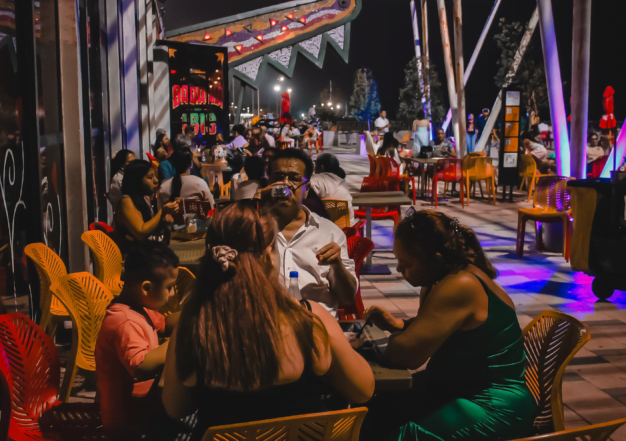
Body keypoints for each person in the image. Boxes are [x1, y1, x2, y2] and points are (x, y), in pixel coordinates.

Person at [161, 204, 374, 434]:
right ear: (267, 257)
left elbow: (175, 408)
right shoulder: (309, 321)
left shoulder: (192, 327)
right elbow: (363, 390)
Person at [362, 211, 535, 441]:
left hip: (492, 405)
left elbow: (406, 356)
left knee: (396, 436)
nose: (398, 270)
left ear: (434, 258)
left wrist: (384, 341)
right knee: (372, 411)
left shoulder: (460, 284)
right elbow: (446, 326)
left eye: (406, 263)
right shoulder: (444, 276)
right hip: (456, 389)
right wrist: (400, 325)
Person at [256, 149, 357, 315]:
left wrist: (337, 265)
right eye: (278, 177)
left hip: (317, 326)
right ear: (268, 183)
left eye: (294, 179)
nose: (285, 183)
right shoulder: (251, 228)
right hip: (268, 325)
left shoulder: (329, 233)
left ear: (307, 189)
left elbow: (347, 297)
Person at [95, 241, 180, 438]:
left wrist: (197, 311)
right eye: (170, 287)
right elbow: (142, 367)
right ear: (146, 288)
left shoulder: (137, 308)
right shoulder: (124, 321)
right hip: (129, 424)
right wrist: (181, 340)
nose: (173, 293)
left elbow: (166, 324)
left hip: (143, 408)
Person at [113, 160, 179, 252]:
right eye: (150, 177)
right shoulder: (126, 202)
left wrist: (163, 221)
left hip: (143, 253)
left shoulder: (143, 199)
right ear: (136, 180)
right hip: (131, 257)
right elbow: (141, 233)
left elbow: (149, 230)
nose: (156, 180)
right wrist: (162, 211)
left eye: (155, 176)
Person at [157, 147, 215, 217]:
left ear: (174, 165)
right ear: (191, 164)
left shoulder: (163, 187)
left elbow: (160, 213)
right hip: (197, 226)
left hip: (170, 227)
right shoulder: (200, 183)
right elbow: (212, 207)